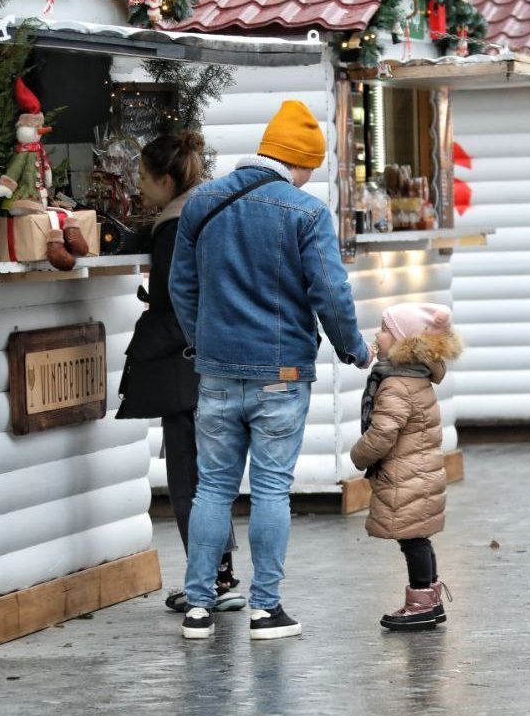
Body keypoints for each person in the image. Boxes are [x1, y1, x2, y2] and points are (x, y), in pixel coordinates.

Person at [169, 101, 374, 640]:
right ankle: (265, 609)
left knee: (212, 487)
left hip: (215, 371)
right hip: (280, 375)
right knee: (270, 491)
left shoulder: (203, 202)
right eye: (310, 169)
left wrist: (204, 341)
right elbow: (329, 291)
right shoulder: (306, 213)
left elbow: (181, 287)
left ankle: (197, 607)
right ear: (300, 163)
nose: (308, 180)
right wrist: (354, 348)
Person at [117, 131, 245, 612]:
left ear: (166, 179)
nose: (140, 189)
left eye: (144, 180)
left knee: (190, 475)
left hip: (186, 365)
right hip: (220, 357)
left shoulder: (175, 225)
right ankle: (220, 575)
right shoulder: (209, 207)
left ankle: (205, 581)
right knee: (210, 474)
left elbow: (173, 300)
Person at [349, 303, 462, 632]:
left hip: (408, 475)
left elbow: (384, 432)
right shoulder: (414, 377)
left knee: (413, 540)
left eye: (384, 329)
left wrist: (359, 456)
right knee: (418, 538)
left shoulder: (398, 384)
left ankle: (421, 605)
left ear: (404, 342)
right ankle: (431, 598)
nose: (377, 334)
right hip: (418, 473)